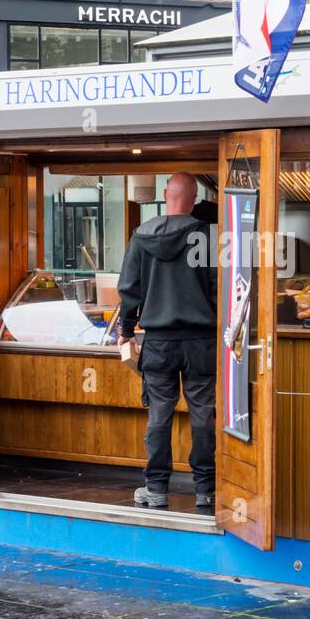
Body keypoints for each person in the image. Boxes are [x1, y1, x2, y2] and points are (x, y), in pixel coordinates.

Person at [117, 172, 218, 509]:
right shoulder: (206, 237)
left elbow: (129, 290)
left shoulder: (140, 237)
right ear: (193, 199)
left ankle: (156, 488)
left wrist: (127, 331)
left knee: (159, 414)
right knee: (203, 414)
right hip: (201, 341)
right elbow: (219, 290)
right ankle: (206, 489)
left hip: (158, 342)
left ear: (165, 194)